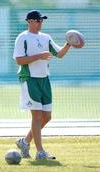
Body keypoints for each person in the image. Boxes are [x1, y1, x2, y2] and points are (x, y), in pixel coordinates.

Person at [13, 10, 71, 160]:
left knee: (47, 116)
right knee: (37, 115)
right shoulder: (22, 37)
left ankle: (24, 142)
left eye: (41, 20)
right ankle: (40, 152)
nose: (40, 23)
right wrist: (39, 56)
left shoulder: (46, 37)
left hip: (44, 79)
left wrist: (69, 43)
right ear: (29, 22)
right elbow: (19, 60)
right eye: (38, 20)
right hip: (29, 79)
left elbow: (59, 54)